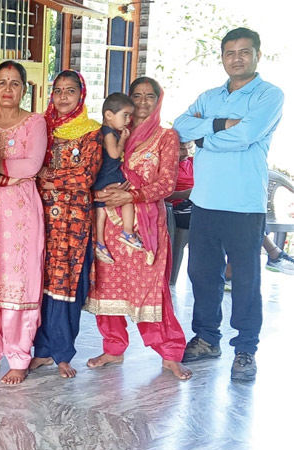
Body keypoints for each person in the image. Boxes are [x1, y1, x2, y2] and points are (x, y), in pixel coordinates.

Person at [173, 27, 284, 381]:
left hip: (243, 204)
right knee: (202, 275)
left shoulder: (269, 95)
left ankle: (246, 349)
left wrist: (204, 139)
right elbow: (179, 126)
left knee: (247, 281)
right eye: (230, 52)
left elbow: (246, 136)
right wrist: (220, 124)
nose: (236, 58)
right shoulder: (210, 96)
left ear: (257, 55)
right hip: (204, 201)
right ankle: (206, 339)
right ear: (222, 57)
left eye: (244, 52)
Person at [85, 77, 193, 380]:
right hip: (108, 222)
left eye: (150, 96)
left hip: (142, 226)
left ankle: (170, 353)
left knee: (150, 289)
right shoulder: (113, 132)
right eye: (137, 95)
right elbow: (93, 170)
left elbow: (166, 183)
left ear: (158, 100)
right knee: (107, 286)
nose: (143, 102)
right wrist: (98, 194)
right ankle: (113, 348)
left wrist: (130, 195)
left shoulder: (166, 136)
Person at [0, 61, 47, 385]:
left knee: (18, 281)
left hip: (21, 210)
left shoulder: (35, 122)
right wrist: (1, 170)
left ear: (24, 90)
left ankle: (18, 354)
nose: (7, 89)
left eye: (15, 83)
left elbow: (32, 164)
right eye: (1, 82)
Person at [32, 70, 101, 379]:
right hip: (41, 216)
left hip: (74, 221)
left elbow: (85, 177)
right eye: (58, 90)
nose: (62, 96)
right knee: (40, 284)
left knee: (68, 285)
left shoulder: (91, 132)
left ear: (81, 95)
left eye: (70, 91)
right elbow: (31, 167)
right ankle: (41, 351)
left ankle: (63, 352)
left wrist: (48, 178)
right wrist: (44, 178)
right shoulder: (41, 127)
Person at [93, 92, 143, 264]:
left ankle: (99, 243)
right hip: (110, 175)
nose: (128, 120)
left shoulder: (104, 131)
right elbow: (114, 154)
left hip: (102, 178)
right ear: (109, 115)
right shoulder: (108, 133)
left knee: (100, 212)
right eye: (125, 115)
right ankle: (128, 232)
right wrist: (123, 140)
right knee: (128, 198)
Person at [165, 141, 194, 285]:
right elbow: (159, 194)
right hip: (178, 208)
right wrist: (184, 194)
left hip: (197, 203)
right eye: (182, 149)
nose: (187, 153)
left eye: (189, 148)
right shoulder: (166, 166)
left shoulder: (193, 162)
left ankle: (229, 268)